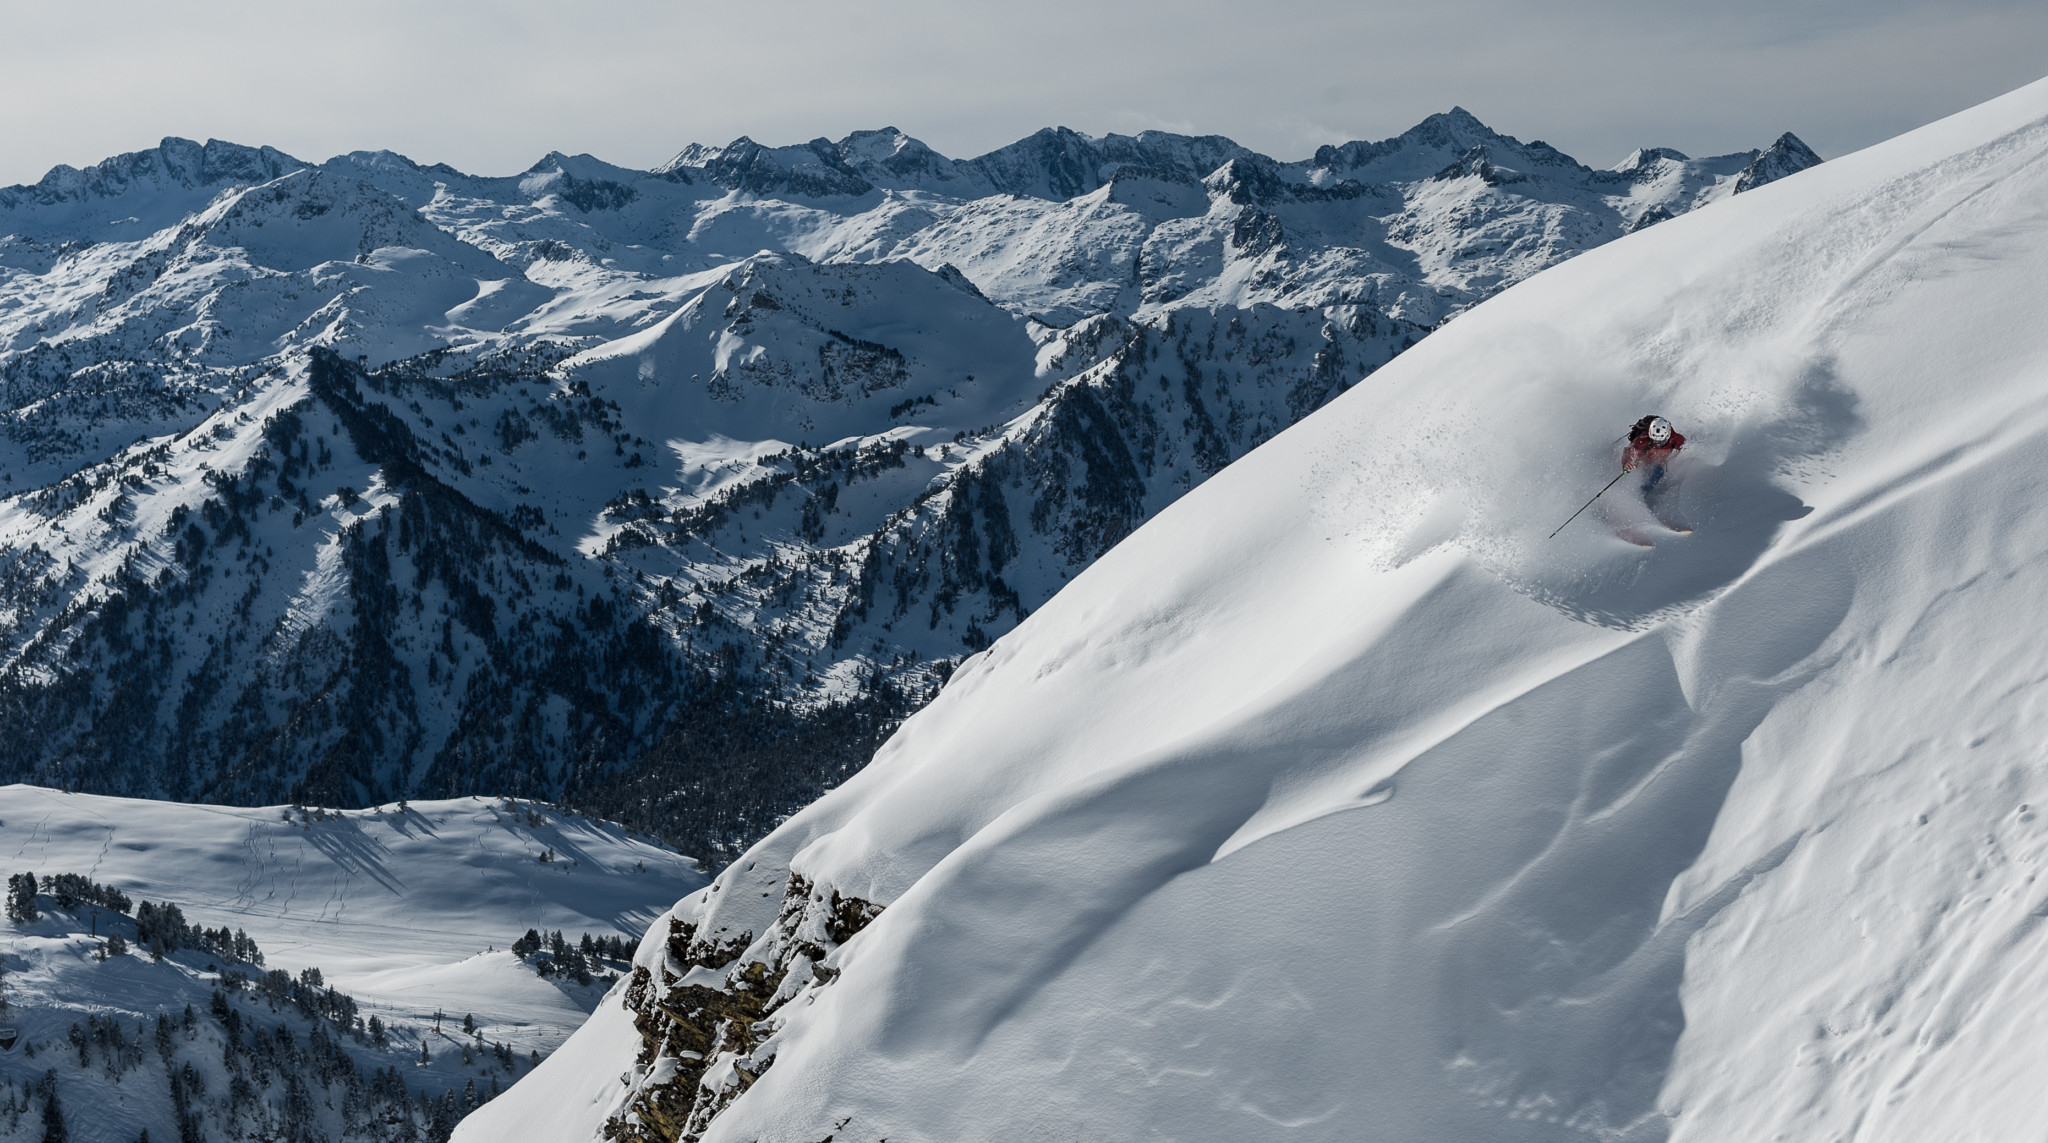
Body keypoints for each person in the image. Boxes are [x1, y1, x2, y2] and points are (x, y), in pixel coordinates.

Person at [1621, 414, 1684, 492]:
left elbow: (1685, 449)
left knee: (1658, 472)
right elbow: (1629, 450)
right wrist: (1627, 462)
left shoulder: (1676, 439)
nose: (1657, 444)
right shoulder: (1643, 439)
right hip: (1642, 461)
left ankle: (1642, 494)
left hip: (1656, 464)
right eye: (1654, 440)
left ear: (1667, 436)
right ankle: (1640, 494)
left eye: (1661, 441)